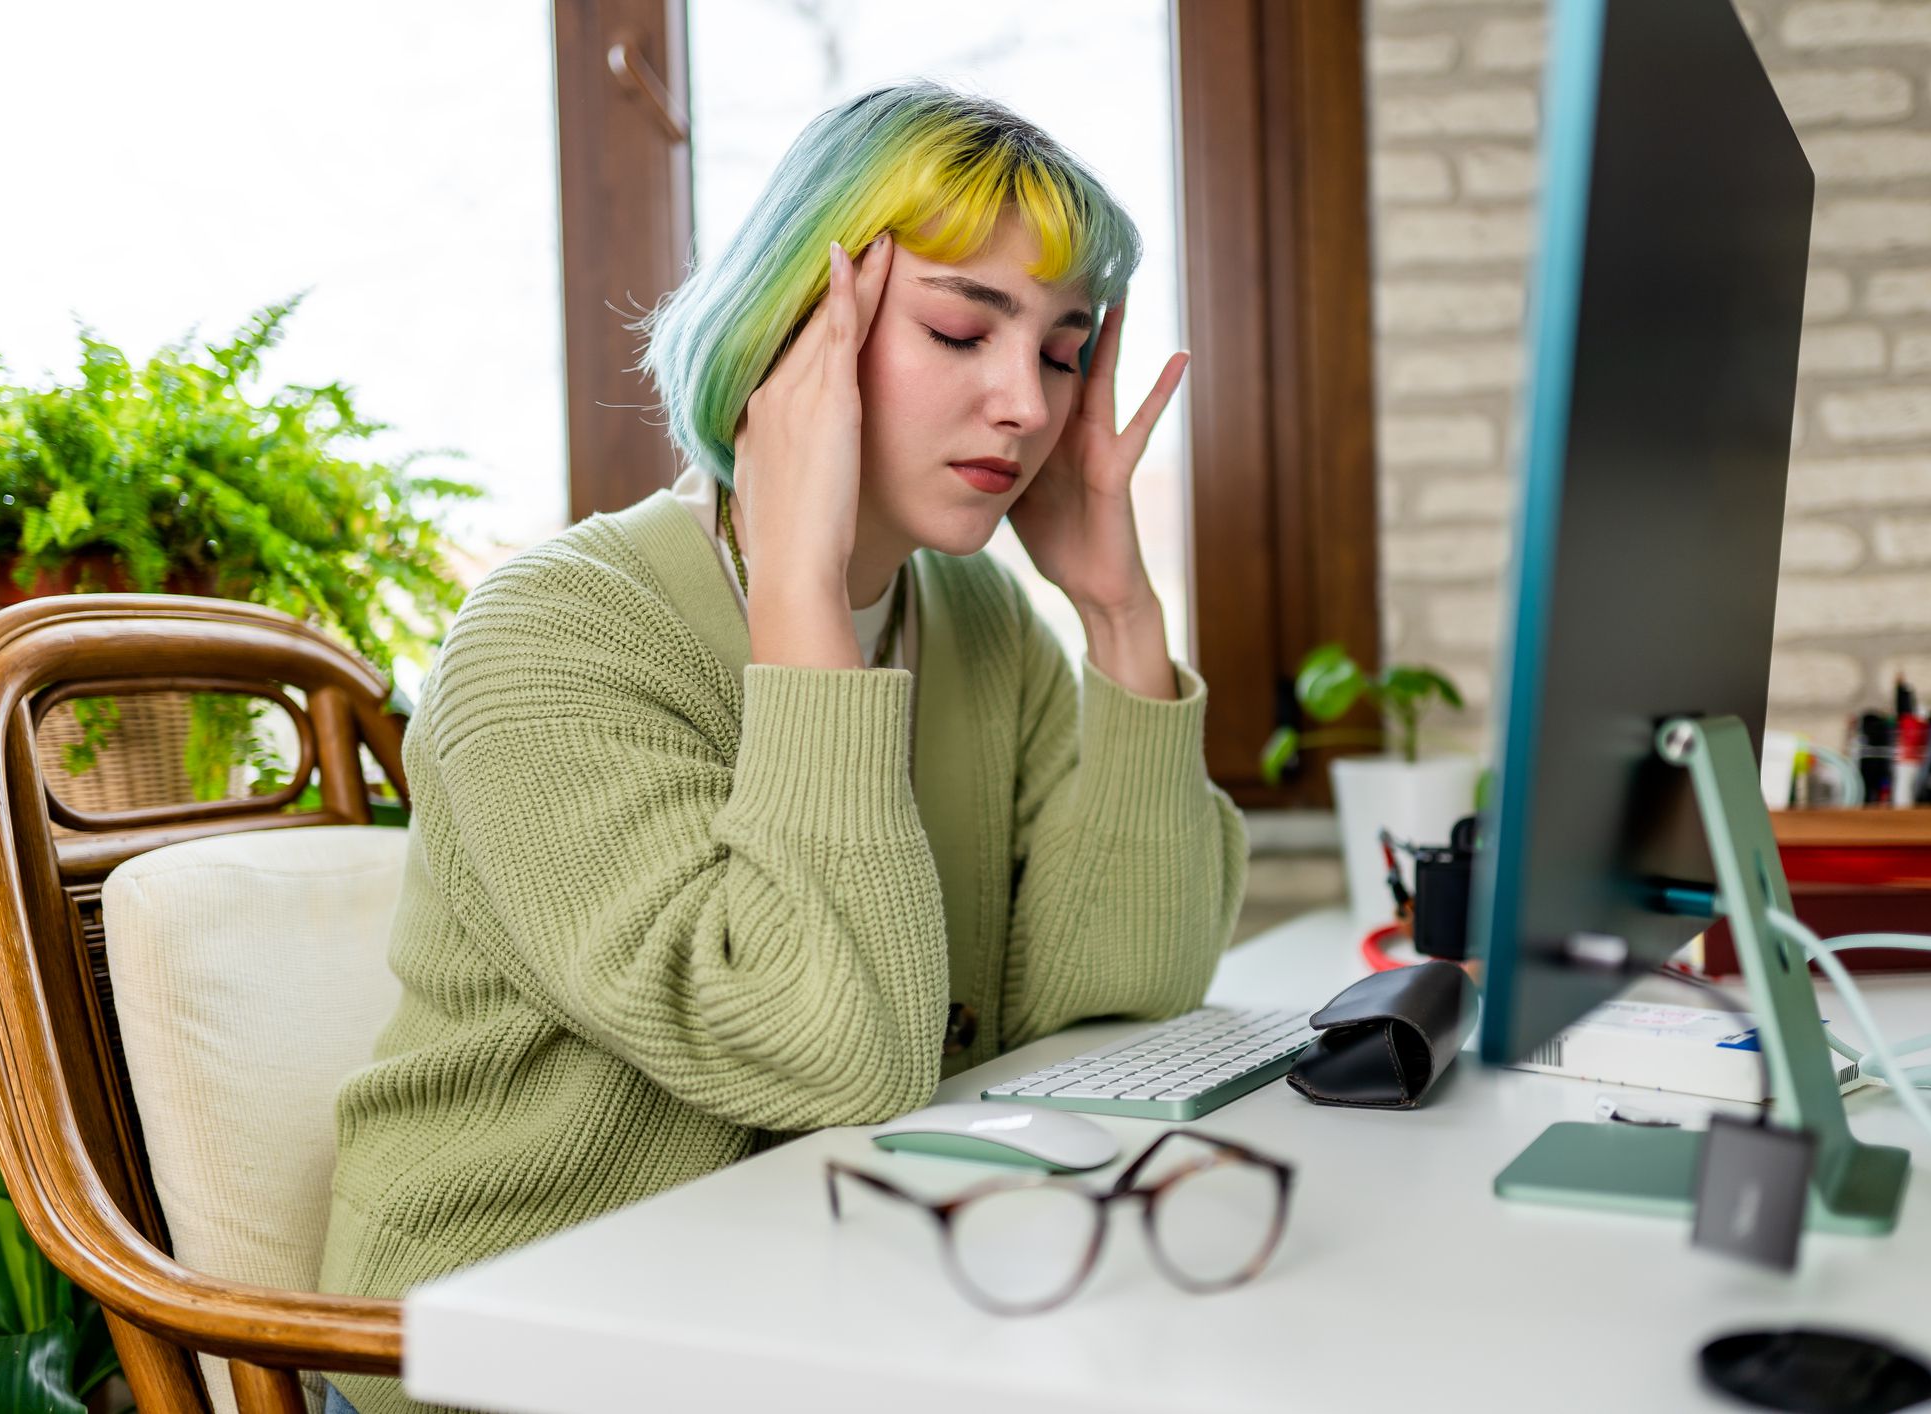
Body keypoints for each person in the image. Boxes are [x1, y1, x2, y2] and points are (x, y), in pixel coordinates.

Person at [317, 80, 1249, 1414]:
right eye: (958, 328)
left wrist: (1119, 615)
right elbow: (828, 1053)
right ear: (792, 330)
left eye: (1059, 351)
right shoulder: (554, 633)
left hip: (820, 1299)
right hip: (514, 1342)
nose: (1026, 405)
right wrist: (800, 585)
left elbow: (1126, 987)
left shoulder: (979, 617)